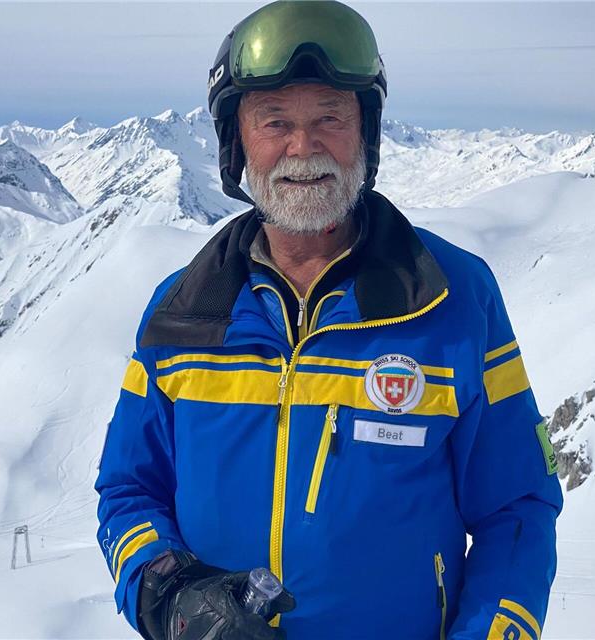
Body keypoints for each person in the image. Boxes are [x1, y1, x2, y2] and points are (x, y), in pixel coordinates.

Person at [95, 2, 563, 638]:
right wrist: (168, 594)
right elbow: (129, 491)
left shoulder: (453, 298)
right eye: (275, 122)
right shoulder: (183, 312)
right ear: (239, 143)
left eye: (329, 119)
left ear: (363, 134)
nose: (304, 147)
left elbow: (517, 508)